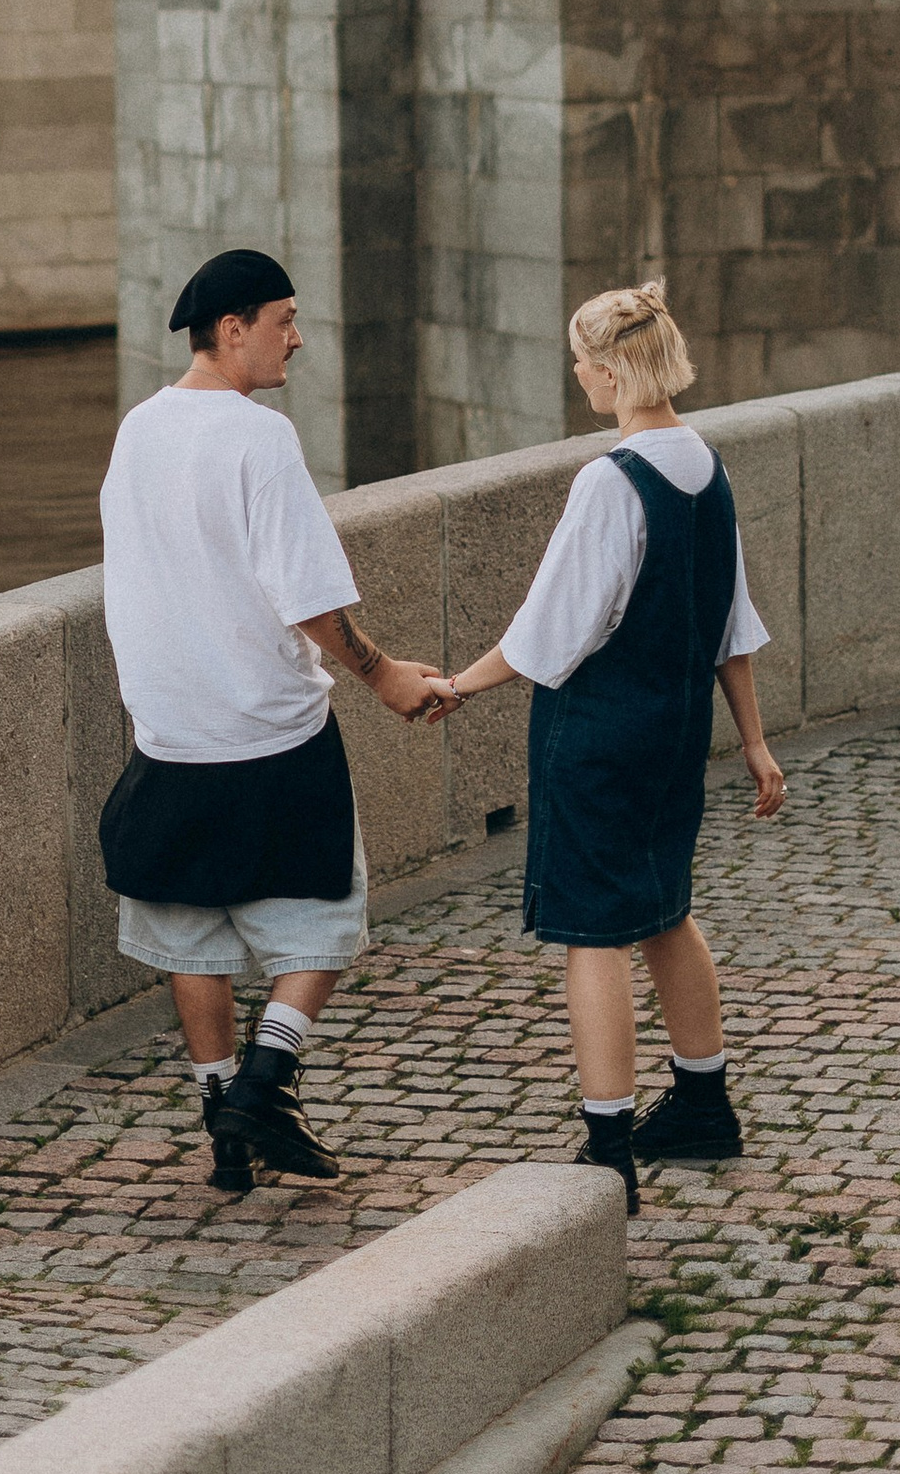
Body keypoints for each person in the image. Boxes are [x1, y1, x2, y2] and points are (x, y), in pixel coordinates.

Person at [98, 247, 456, 1195]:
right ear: (232, 330)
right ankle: (267, 1076)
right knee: (331, 913)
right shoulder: (260, 439)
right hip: (269, 724)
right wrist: (383, 677)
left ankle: (225, 1125)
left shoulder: (139, 431)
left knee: (192, 931)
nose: (297, 337)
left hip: (168, 729)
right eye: (284, 319)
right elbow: (307, 596)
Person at [441, 278, 786, 1203]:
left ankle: (609, 1150)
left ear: (614, 367)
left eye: (583, 362)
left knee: (594, 934)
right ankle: (705, 1107)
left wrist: (457, 686)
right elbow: (730, 621)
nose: (579, 375)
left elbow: (552, 631)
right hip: (680, 731)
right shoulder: (706, 465)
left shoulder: (611, 480)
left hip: (596, 736)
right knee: (666, 909)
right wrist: (752, 741)